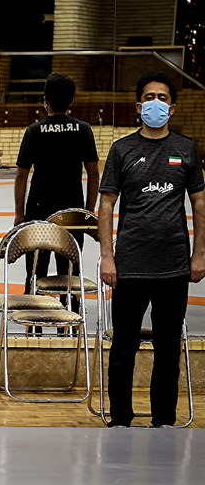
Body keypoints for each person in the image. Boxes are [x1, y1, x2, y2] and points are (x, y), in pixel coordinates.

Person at [98, 72, 205, 428]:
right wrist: (107, 257)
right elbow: (106, 205)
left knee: (168, 347)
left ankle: (164, 420)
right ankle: (120, 419)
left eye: (162, 97)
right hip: (129, 264)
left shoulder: (186, 149)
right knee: (123, 347)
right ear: (138, 106)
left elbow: (200, 203)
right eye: (149, 97)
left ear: (172, 109)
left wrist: (199, 254)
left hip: (173, 265)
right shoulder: (122, 149)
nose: (155, 103)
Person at [14, 73, 98, 297]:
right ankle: (71, 315)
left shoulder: (34, 131)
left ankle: (34, 314)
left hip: (38, 210)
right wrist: (88, 211)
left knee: (35, 270)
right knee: (71, 272)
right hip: (72, 211)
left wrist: (19, 213)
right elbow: (93, 173)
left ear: (46, 100)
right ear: (72, 101)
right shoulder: (83, 130)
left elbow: (21, 176)